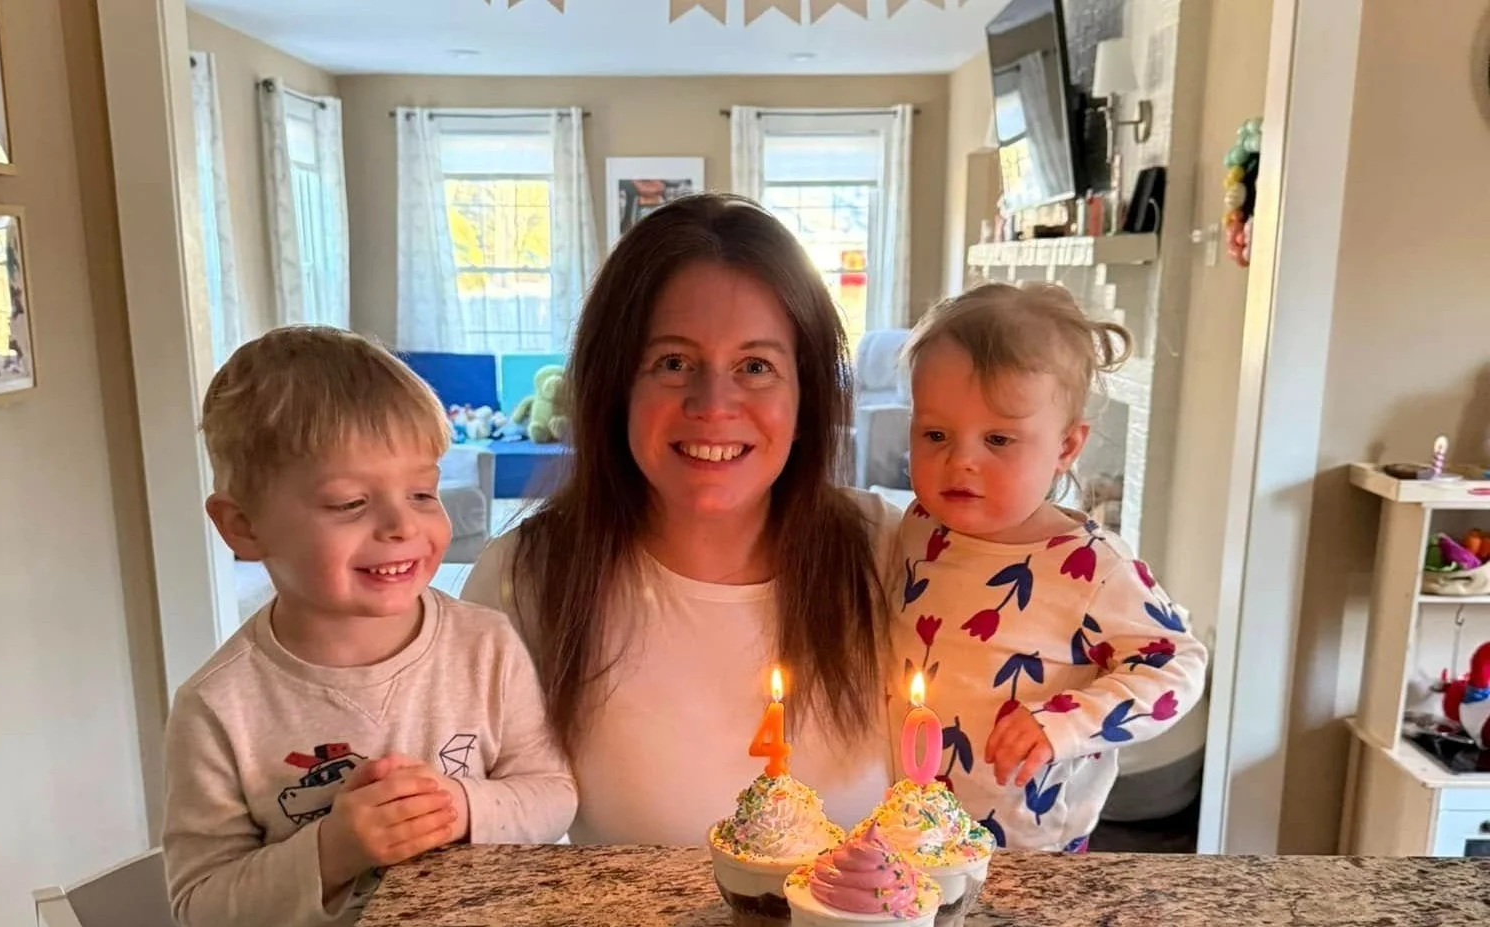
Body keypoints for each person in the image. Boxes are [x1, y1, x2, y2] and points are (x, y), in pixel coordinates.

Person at [163, 327, 576, 927]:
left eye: (422, 490)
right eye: (350, 501)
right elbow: (202, 899)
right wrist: (332, 851)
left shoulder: (486, 645)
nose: (401, 525)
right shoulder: (220, 707)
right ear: (243, 526)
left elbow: (553, 794)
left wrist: (464, 808)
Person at [462, 194, 894, 843]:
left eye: (756, 366)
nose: (713, 403)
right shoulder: (522, 577)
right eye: (673, 363)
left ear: (805, 396)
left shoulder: (892, 551)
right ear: (615, 387)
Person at [890, 282, 1207, 852]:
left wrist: (1062, 722)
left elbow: (1176, 668)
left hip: (1027, 849)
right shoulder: (917, 525)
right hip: (908, 830)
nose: (961, 460)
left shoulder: (1091, 567)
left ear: (1066, 447)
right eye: (935, 434)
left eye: (998, 439)